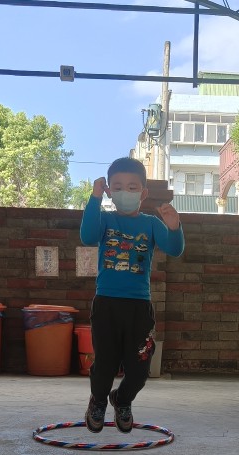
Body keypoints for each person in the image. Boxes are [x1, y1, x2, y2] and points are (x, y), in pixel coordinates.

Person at [80, 157, 184, 433]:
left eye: (132, 187)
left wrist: (174, 227)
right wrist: (94, 198)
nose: (125, 192)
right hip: (107, 305)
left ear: (143, 193)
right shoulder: (105, 219)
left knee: (139, 367)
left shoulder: (151, 224)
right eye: (117, 187)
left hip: (139, 308)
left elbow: (174, 249)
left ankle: (122, 399)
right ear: (109, 191)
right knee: (105, 364)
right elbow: (87, 236)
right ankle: (98, 400)